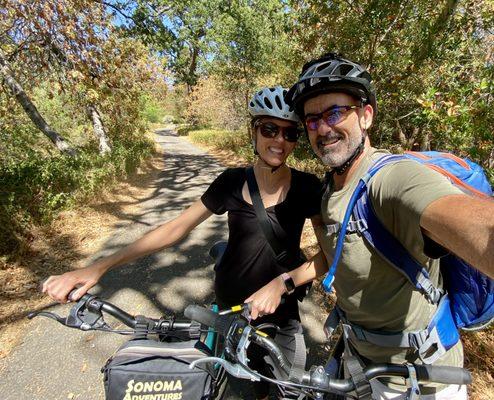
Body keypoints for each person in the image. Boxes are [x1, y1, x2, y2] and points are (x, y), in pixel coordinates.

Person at [42, 86, 323, 400]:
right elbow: (175, 229)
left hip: (283, 312)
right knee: (250, 377)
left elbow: (328, 257)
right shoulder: (231, 182)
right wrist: (98, 267)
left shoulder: (307, 187)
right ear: (254, 131)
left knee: (291, 388)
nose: (279, 140)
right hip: (234, 309)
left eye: (289, 133)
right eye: (270, 129)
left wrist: (282, 283)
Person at [245, 54, 494, 399]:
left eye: (335, 113)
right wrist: (283, 282)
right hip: (358, 361)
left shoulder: (394, 180)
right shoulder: (330, 189)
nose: (323, 128)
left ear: (366, 116)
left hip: (416, 381)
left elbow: (478, 227)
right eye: (312, 120)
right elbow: (335, 257)